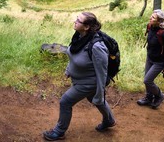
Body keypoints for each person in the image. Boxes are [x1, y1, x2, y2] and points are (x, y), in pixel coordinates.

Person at [42, 12, 116, 141]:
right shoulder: (79, 37)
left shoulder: (97, 46)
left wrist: (100, 92)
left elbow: (102, 72)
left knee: (65, 101)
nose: (75, 21)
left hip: (89, 83)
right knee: (94, 100)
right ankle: (109, 120)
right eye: (76, 19)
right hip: (80, 79)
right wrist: (68, 70)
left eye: (79, 20)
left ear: (86, 27)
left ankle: (59, 131)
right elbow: (73, 55)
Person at [137, 9, 164, 109]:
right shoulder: (150, 27)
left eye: (153, 18)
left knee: (147, 80)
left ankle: (159, 95)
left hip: (159, 62)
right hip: (150, 58)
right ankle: (148, 98)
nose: (150, 18)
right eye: (151, 16)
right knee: (147, 78)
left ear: (159, 21)